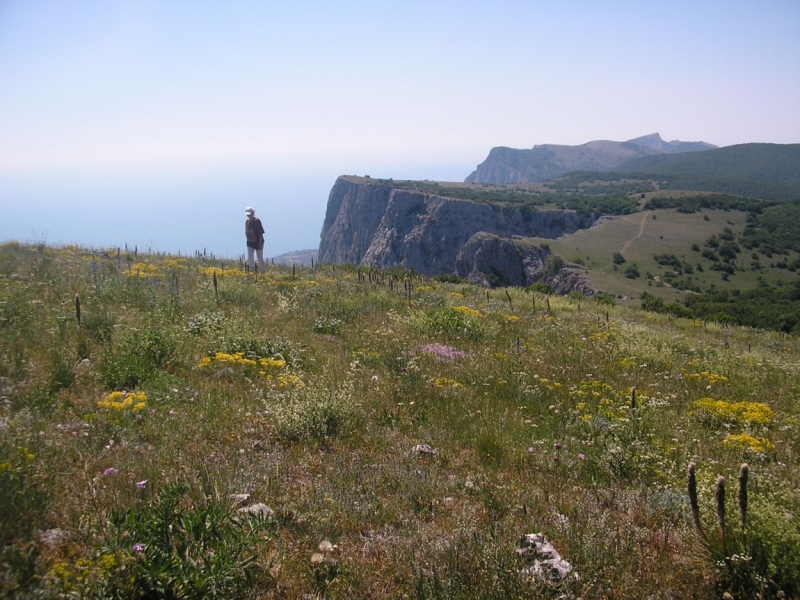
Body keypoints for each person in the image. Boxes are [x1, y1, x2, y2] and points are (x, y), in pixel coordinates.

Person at [245, 206, 266, 272]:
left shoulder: (257, 221)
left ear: (253, 213)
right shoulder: (247, 222)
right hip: (250, 243)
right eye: (248, 215)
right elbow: (246, 231)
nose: (249, 216)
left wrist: (260, 243)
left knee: (260, 259)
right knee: (250, 258)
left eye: (250, 215)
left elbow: (260, 233)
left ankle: (262, 272)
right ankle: (252, 271)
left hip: (258, 243)